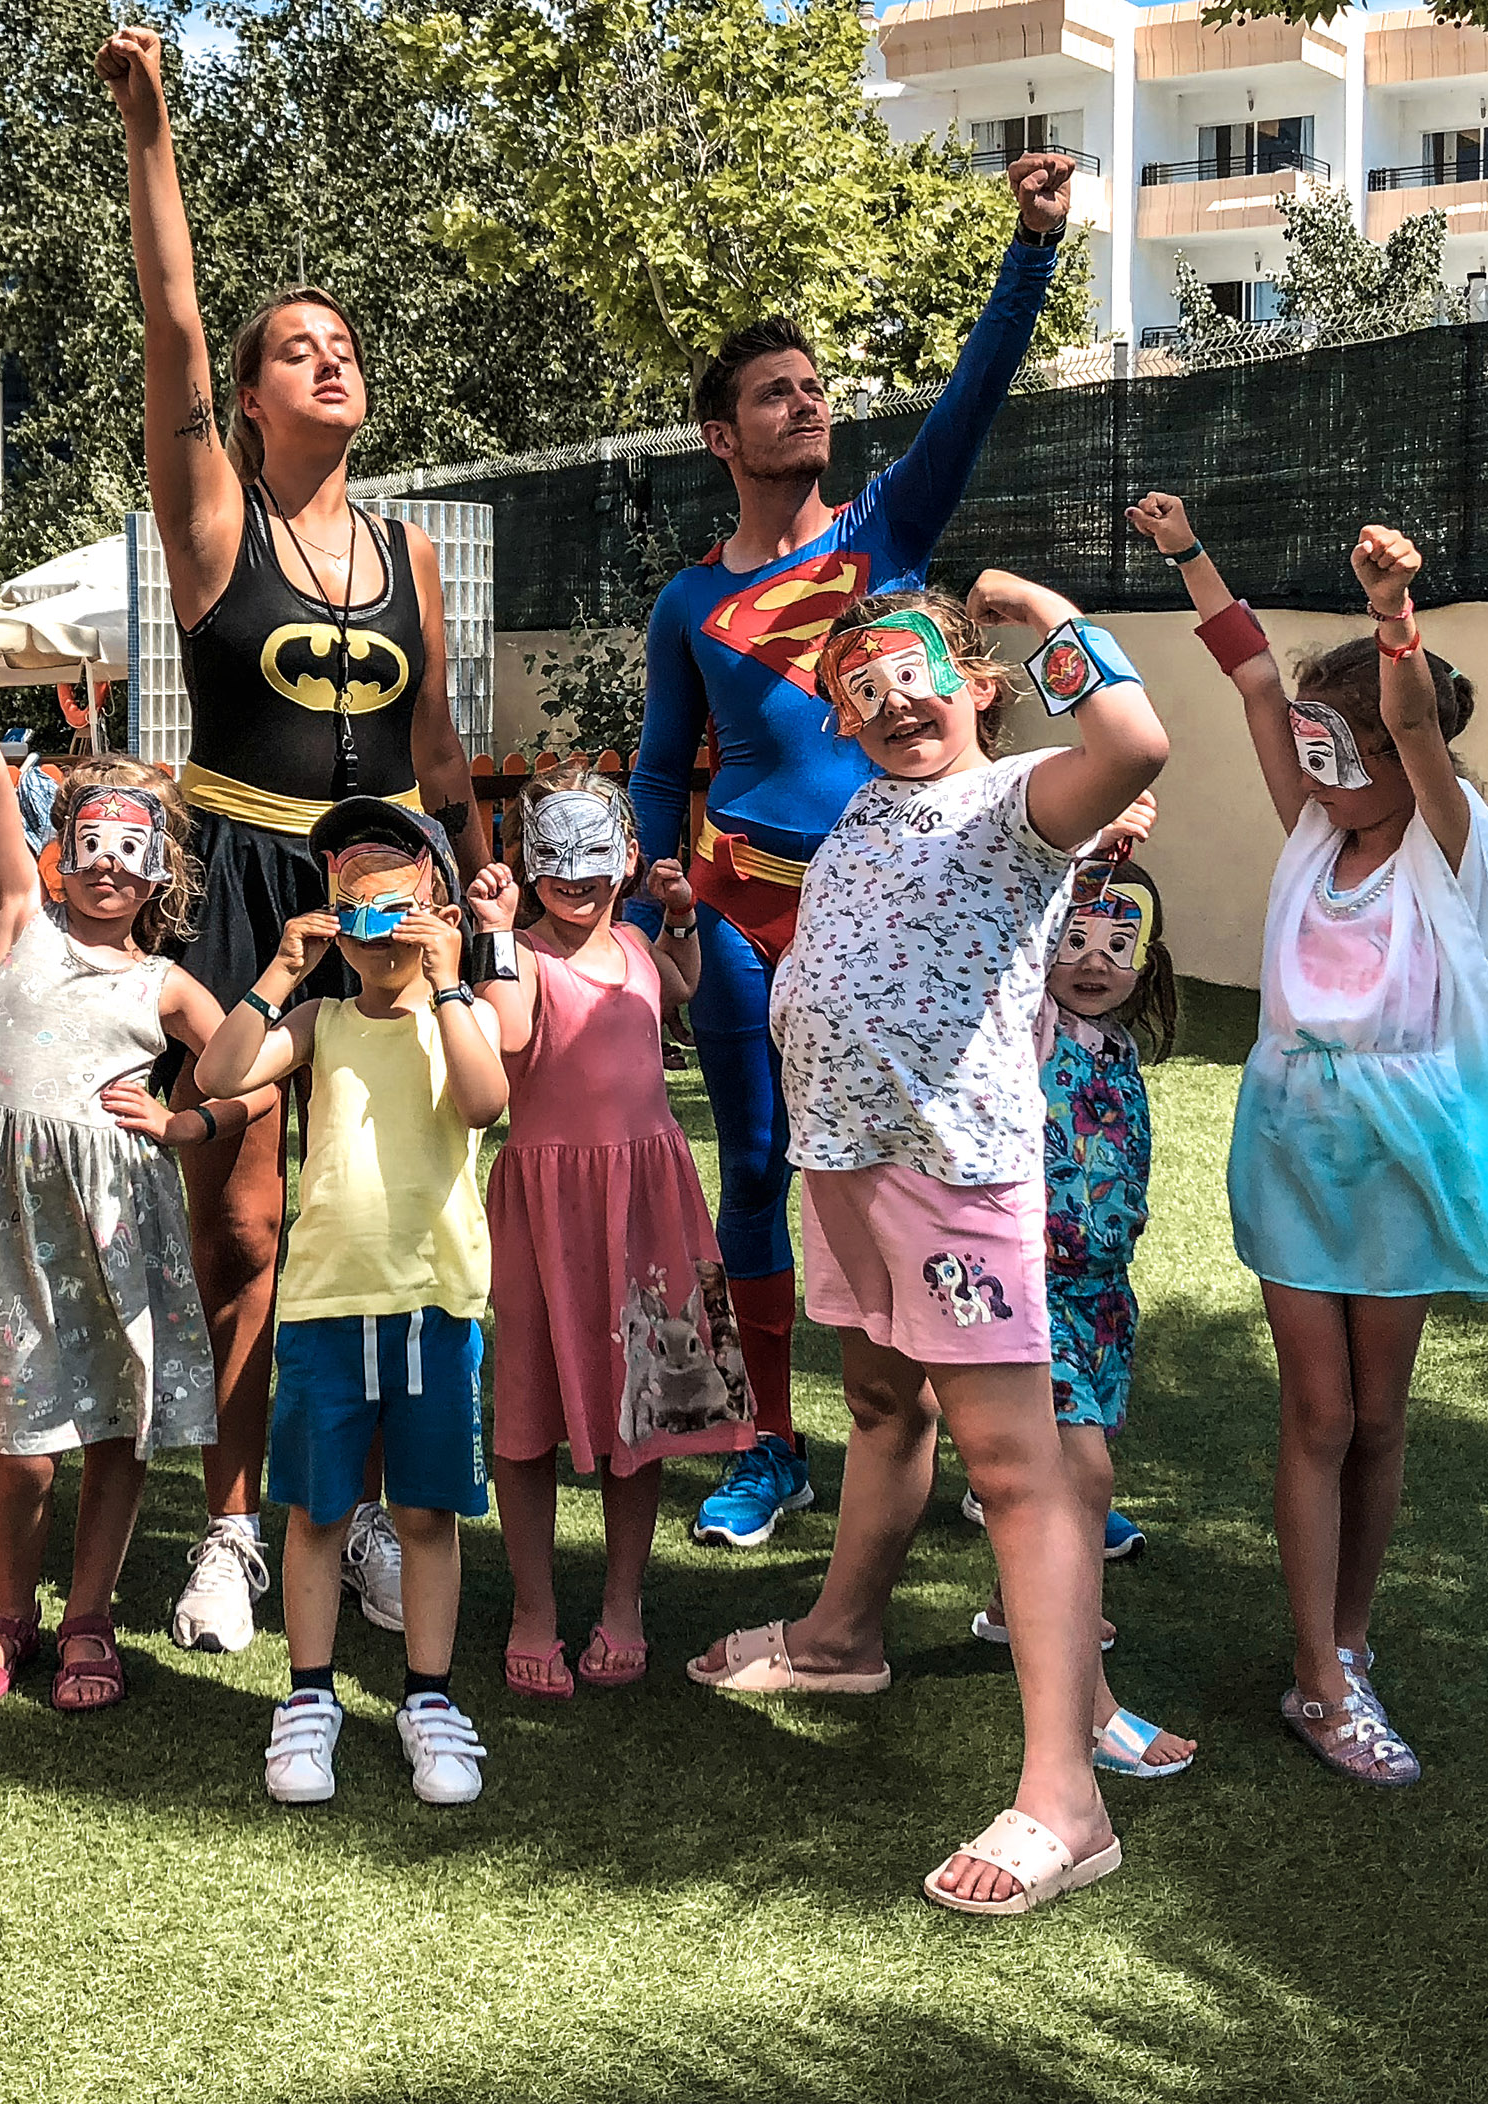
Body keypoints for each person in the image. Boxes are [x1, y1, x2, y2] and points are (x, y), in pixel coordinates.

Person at [100, 23, 494, 1655]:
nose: (327, 360)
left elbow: (442, 758)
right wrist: (149, 130)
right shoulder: (214, 527)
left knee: (379, 1217)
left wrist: (483, 916)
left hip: (388, 899)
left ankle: (376, 1517)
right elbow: (172, 325)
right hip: (238, 890)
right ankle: (234, 1529)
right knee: (247, 1222)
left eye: (343, 344)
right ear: (249, 397)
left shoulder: (406, 553)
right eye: (297, 349)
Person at [689, 576, 1168, 1915]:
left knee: (1015, 1474)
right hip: (844, 1171)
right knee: (881, 1403)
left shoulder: (1015, 798)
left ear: (969, 681)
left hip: (953, 1187)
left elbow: (1130, 750)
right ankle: (842, 1639)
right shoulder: (866, 805)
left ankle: (1063, 1801)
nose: (891, 698)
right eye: (861, 686)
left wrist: (1045, 609)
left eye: (912, 672)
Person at [628, 153, 1077, 1553]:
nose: (806, 401)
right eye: (774, 392)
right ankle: (773, 1446)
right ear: (720, 437)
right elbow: (658, 762)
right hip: (747, 920)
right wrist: (653, 876)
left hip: (914, 915)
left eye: (813, 386)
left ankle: (999, 1438)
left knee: (962, 1160)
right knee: (760, 1172)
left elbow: (974, 395)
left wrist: (1033, 248)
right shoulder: (688, 600)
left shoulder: (886, 539)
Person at [1141, 493, 1488, 1786]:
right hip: (1293, 1138)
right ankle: (1315, 1678)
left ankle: (1346, 1640)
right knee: (1319, 1409)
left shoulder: (1454, 846)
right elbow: (1243, 674)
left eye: (1346, 756)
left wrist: (1391, 611)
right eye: (1315, 755)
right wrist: (1187, 551)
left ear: (1409, 763)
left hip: (1402, 1152)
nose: (1324, 776)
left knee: (1383, 1418)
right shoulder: (1312, 826)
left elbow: (1406, 720)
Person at [0, 593, 277, 1712]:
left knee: (114, 1423)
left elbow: (254, 1068)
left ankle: (87, 1616)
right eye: (91, 848)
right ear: (61, 853)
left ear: (158, 872)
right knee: (23, 1443)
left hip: (119, 1219)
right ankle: (5, 1609)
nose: (108, 870)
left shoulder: (162, 982)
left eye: (131, 853)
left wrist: (190, 1125)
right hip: (14, 1223)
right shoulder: (19, 922)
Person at [197, 800, 508, 1805]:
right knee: (319, 1510)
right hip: (326, 1307)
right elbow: (220, 1070)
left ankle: (427, 1697)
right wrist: (286, 963)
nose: (378, 930)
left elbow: (483, 1100)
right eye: (354, 905)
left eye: (397, 901)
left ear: (435, 904)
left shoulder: (458, 1015)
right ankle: (308, 1696)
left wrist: (450, 974)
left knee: (425, 1513)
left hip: (434, 1300)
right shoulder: (317, 1019)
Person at [464, 771, 749, 1700]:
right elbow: (507, 1044)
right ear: (526, 863)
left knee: (647, 1404)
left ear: (626, 859)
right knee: (527, 1406)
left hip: (649, 1197)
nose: (575, 881)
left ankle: (623, 1602)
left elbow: (681, 988)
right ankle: (534, 1606)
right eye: (556, 862)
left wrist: (678, 919)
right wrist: (497, 936)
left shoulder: (631, 938)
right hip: (547, 1205)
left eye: (596, 861)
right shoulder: (521, 960)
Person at [968, 843, 1198, 1782]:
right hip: (1034, 1294)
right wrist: (1080, 849)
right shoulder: (1036, 1029)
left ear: (1146, 962)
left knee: (1072, 1474)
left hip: (1104, 1299)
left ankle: (1009, 1604)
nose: (1095, 959)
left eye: (1118, 942)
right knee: (1082, 1480)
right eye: (1074, 936)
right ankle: (1089, 1708)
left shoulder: (1122, 1049)